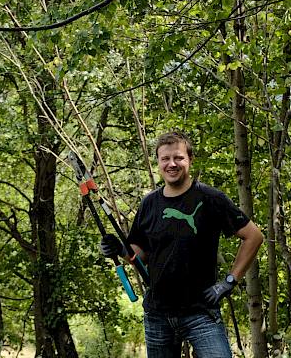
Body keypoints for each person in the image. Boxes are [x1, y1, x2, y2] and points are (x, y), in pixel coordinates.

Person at [101, 131, 263, 357]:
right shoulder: (149, 203)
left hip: (201, 313)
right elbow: (140, 254)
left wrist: (228, 281)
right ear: (158, 162)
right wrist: (119, 248)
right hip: (158, 314)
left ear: (190, 160)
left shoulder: (210, 198)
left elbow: (254, 236)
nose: (171, 164)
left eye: (178, 158)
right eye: (165, 159)